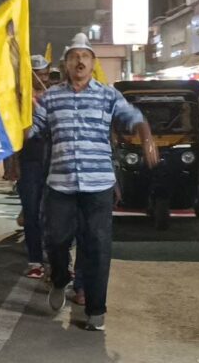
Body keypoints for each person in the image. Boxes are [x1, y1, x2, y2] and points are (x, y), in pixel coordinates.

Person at [29, 33, 159, 331]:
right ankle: (60, 278)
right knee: (56, 240)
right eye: (74, 56)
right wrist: (13, 121)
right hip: (61, 185)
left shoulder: (108, 95)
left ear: (92, 62)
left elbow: (133, 116)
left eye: (85, 56)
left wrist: (147, 136)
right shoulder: (51, 98)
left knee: (98, 246)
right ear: (66, 63)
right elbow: (33, 129)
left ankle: (96, 311)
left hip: (98, 185)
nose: (80, 61)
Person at [17, 54, 50, 279]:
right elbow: (14, 135)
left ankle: (57, 258)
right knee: (31, 212)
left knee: (54, 213)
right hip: (28, 162)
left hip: (54, 162)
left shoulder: (55, 97)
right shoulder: (19, 100)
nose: (41, 78)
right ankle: (35, 260)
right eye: (36, 74)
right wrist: (11, 165)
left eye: (44, 74)